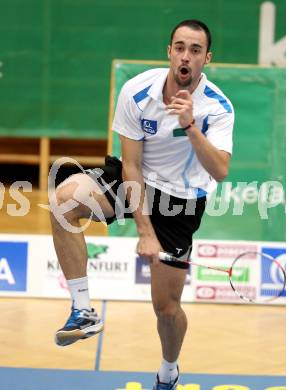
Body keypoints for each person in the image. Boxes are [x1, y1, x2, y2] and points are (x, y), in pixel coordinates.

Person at [50, 19, 234, 390]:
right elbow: (131, 165)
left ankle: (169, 373)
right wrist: (144, 231)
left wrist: (191, 126)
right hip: (138, 178)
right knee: (64, 201)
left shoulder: (217, 107)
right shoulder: (137, 91)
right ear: (169, 52)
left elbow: (220, 171)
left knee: (166, 311)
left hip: (181, 203)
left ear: (206, 59)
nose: (186, 56)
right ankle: (83, 310)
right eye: (180, 47)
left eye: (195, 50)